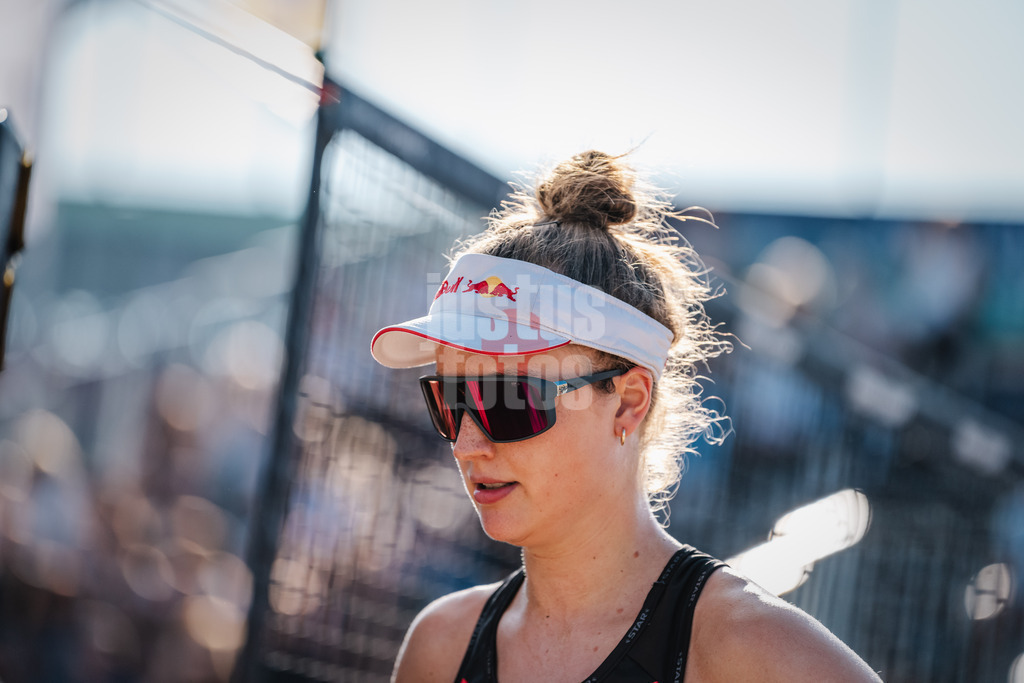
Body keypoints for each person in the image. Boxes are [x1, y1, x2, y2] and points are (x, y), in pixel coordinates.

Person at [370, 151, 882, 682]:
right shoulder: (440, 645)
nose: (465, 443)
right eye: (450, 400)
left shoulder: (750, 651)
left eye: (508, 399)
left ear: (628, 402)